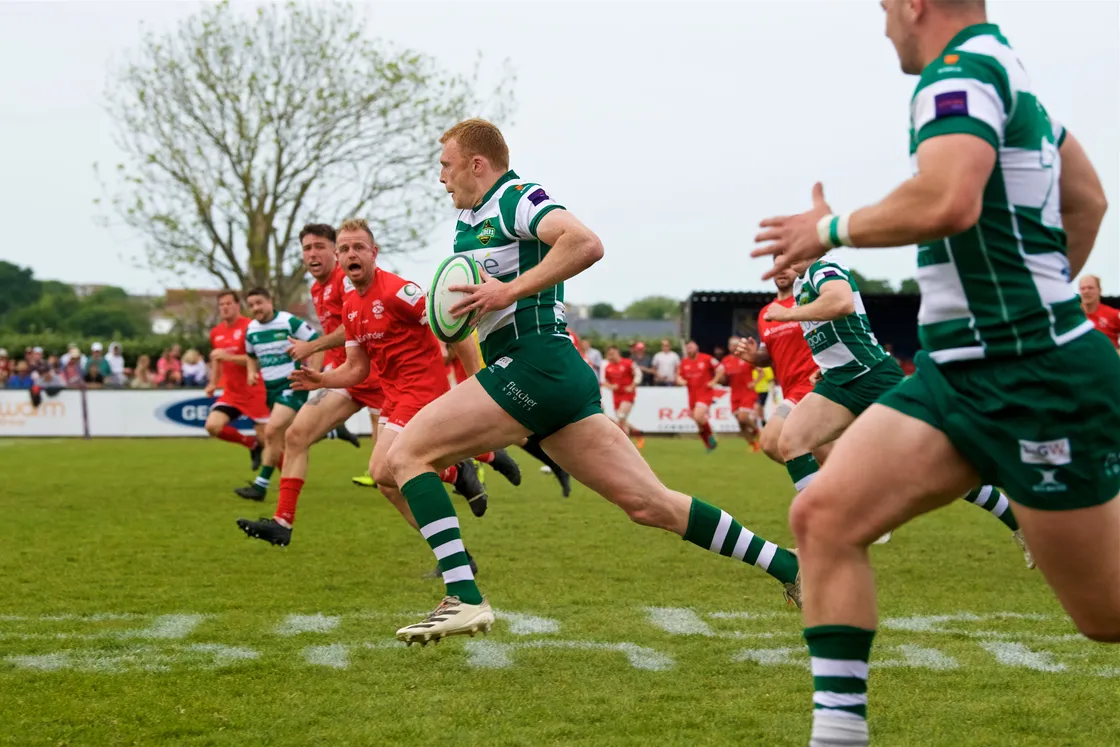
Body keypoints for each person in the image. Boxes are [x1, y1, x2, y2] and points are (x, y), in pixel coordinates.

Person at [751, 4, 1118, 745]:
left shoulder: (960, 73)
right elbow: (1089, 199)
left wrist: (828, 230)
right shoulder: (1009, 73)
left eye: (886, 6)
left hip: (1032, 374)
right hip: (954, 371)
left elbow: (949, 199)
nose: (884, 22)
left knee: (1105, 614)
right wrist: (1038, 289)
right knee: (824, 518)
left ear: (916, 3)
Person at [378, 118, 799, 643]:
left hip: (535, 364)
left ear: (476, 164)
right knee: (651, 504)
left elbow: (585, 243)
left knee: (405, 456)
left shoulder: (515, 197)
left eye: (446, 165)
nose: (441, 177)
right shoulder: (471, 220)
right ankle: (789, 566)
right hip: (550, 375)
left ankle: (463, 596)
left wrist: (508, 291)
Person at [288, 219, 524, 556]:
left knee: (382, 469)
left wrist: (476, 380)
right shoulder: (351, 308)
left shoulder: (398, 292)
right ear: (339, 258)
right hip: (394, 395)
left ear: (374, 253)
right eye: (345, 249)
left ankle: (462, 476)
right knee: (388, 485)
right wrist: (321, 380)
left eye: (359, 247)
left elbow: (451, 324)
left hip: (422, 389)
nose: (352, 254)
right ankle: (456, 545)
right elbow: (357, 369)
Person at [237, 224, 380, 546]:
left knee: (388, 473)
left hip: (380, 377)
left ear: (335, 251)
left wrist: (312, 348)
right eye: (306, 248)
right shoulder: (317, 288)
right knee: (294, 435)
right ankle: (282, 521)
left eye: (319, 247)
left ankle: (463, 470)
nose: (312, 254)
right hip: (346, 376)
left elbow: (356, 325)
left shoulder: (345, 280)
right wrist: (321, 371)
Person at [233, 287, 322, 500]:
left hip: (292, 384)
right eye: (251, 305)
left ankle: (260, 485)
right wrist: (251, 372)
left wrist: (316, 373)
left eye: (259, 303)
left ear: (270, 301)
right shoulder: (251, 329)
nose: (255, 308)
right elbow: (250, 356)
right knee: (283, 438)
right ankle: (333, 431)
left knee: (271, 431)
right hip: (271, 390)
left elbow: (317, 342)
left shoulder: (288, 322)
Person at [204, 290, 269, 470]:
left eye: (228, 303)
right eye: (221, 305)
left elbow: (259, 360)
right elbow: (217, 359)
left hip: (254, 390)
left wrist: (228, 357)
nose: (225, 307)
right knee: (212, 426)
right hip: (232, 393)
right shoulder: (216, 332)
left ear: (237, 305)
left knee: (268, 440)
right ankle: (251, 444)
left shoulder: (250, 327)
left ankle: (287, 479)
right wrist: (213, 383)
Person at [713, 335, 759, 450]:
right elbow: (722, 376)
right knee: (740, 423)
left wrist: (755, 382)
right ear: (729, 347)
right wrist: (717, 380)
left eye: (735, 344)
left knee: (743, 417)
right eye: (731, 345)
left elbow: (761, 371)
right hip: (734, 394)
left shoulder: (747, 357)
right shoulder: (726, 360)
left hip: (747, 393)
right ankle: (753, 445)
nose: (733, 347)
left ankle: (758, 431)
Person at [677, 339, 719, 451]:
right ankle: (709, 445)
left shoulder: (706, 358)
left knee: (698, 416)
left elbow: (721, 369)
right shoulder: (684, 362)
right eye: (688, 348)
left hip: (705, 393)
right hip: (692, 396)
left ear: (697, 348)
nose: (690, 350)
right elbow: (678, 376)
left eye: (692, 347)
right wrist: (680, 381)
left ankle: (711, 435)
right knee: (698, 423)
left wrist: (714, 381)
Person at [600, 344, 644, 448]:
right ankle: (637, 435)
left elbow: (638, 374)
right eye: (609, 354)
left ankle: (624, 445)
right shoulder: (608, 367)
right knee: (622, 423)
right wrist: (611, 386)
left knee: (620, 417)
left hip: (628, 395)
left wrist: (632, 386)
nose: (610, 356)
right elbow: (604, 382)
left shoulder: (628, 363)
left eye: (612, 353)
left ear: (617, 352)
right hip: (616, 397)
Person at [1079, 274, 1120, 349]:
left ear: (1100, 290)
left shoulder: (1113, 314)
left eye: (1090, 288)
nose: (1086, 291)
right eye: (1083, 288)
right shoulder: (1072, 315)